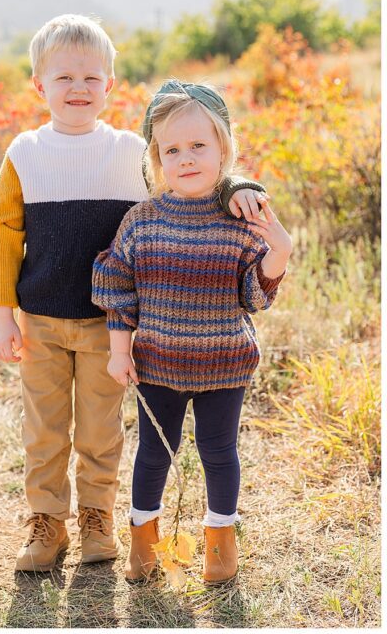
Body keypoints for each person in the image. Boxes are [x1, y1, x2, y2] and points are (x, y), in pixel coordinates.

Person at [0, 14, 267, 572]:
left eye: (92, 78)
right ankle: (46, 524)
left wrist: (239, 186)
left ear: (110, 85)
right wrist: (3, 316)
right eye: (64, 78)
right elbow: (3, 236)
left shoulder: (128, 153)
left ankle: (97, 518)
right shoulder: (24, 151)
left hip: (106, 325)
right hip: (39, 318)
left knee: (100, 428)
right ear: (39, 85)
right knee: (43, 429)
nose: (78, 89)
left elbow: (187, 173)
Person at [92, 80, 291, 584]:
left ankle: (221, 544)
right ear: (157, 157)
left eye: (198, 146)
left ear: (223, 148)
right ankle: (144, 544)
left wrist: (279, 254)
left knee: (219, 451)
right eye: (171, 149)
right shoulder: (143, 221)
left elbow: (254, 296)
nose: (185, 158)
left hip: (225, 363)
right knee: (155, 452)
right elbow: (119, 288)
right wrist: (120, 351)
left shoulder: (240, 221)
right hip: (157, 363)